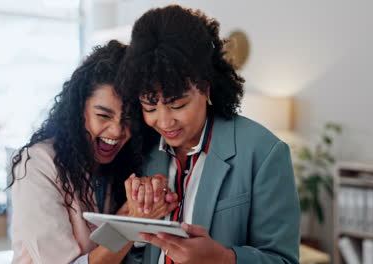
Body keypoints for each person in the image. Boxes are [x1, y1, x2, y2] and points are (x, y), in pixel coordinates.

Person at [117, 5, 301, 264]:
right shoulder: (142, 150)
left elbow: (284, 261)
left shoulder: (264, 153)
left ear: (205, 87)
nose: (164, 121)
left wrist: (225, 259)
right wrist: (136, 228)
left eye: (178, 105)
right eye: (149, 107)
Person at [9, 40, 178, 264]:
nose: (118, 130)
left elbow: (103, 245)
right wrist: (133, 222)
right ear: (80, 110)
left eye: (128, 118)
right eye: (104, 115)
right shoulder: (37, 164)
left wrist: (135, 209)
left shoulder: (116, 166)